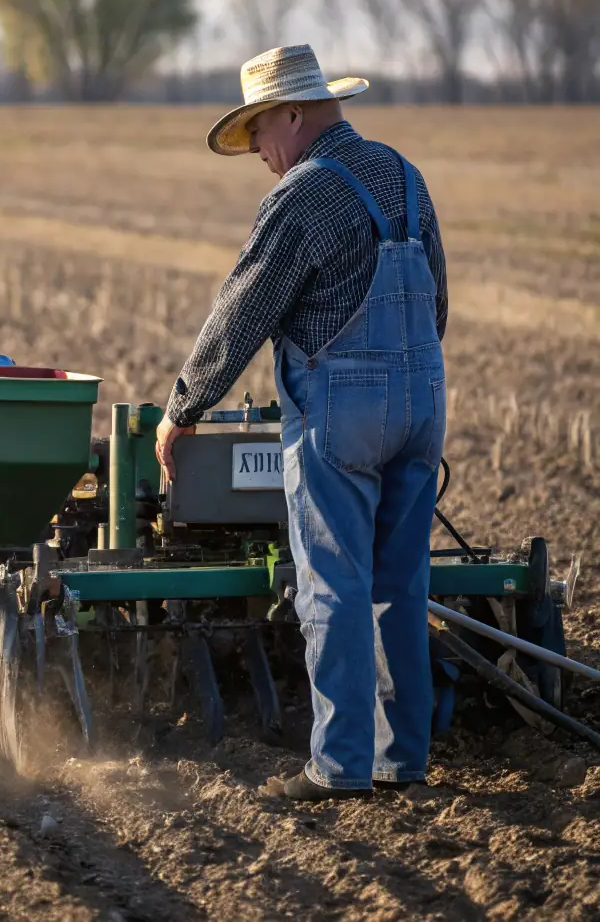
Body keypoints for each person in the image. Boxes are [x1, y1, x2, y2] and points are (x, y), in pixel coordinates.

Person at [154, 43, 448, 802]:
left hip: (341, 413)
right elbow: (436, 300)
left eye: (257, 129)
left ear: (293, 112)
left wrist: (184, 405)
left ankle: (340, 764)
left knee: (333, 586)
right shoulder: (404, 177)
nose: (256, 150)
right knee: (400, 584)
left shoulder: (305, 194)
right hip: (423, 401)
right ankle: (400, 758)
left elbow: (243, 308)